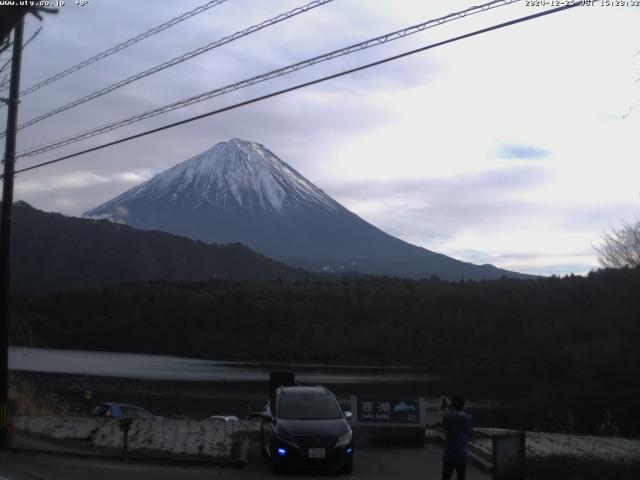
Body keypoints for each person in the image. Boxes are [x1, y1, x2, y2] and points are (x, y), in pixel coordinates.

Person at [441, 394, 473, 480]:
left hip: (450, 454)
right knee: (461, 477)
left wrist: (449, 408)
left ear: (452, 404)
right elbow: (468, 429)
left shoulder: (448, 417)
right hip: (462, 453)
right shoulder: (468, 418)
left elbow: (444, 426)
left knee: (446, 477)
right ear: (463, 405)